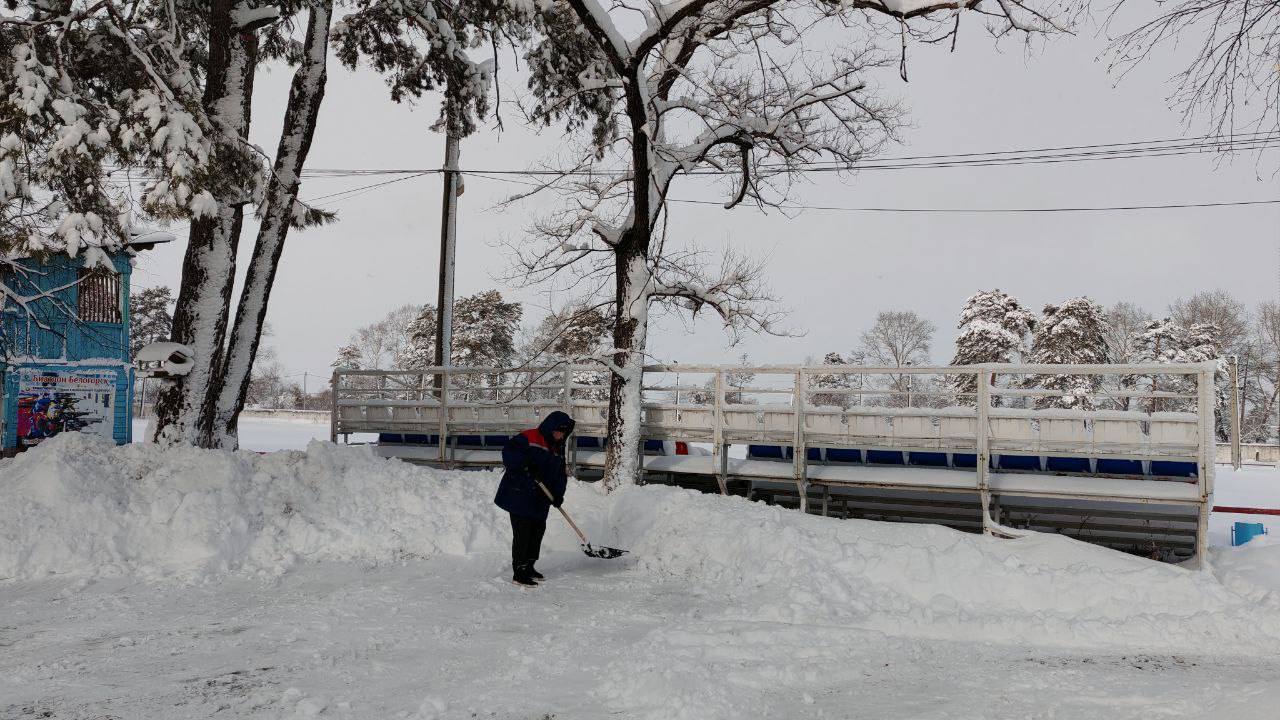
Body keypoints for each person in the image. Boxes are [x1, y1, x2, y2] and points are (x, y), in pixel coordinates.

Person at [494, 410, 576, 587]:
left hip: (540, 498)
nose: (561, 435)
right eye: (558, 431)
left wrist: (557, 495)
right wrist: (524, 464)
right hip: (520, 493)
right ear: (550, 427)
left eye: (564, 432)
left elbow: (560, 475)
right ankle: (519, 571)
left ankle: (529, 565)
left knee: (537, 532)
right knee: (523, 533)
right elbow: (509, 452)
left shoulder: (557, 449)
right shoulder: (530, 437)